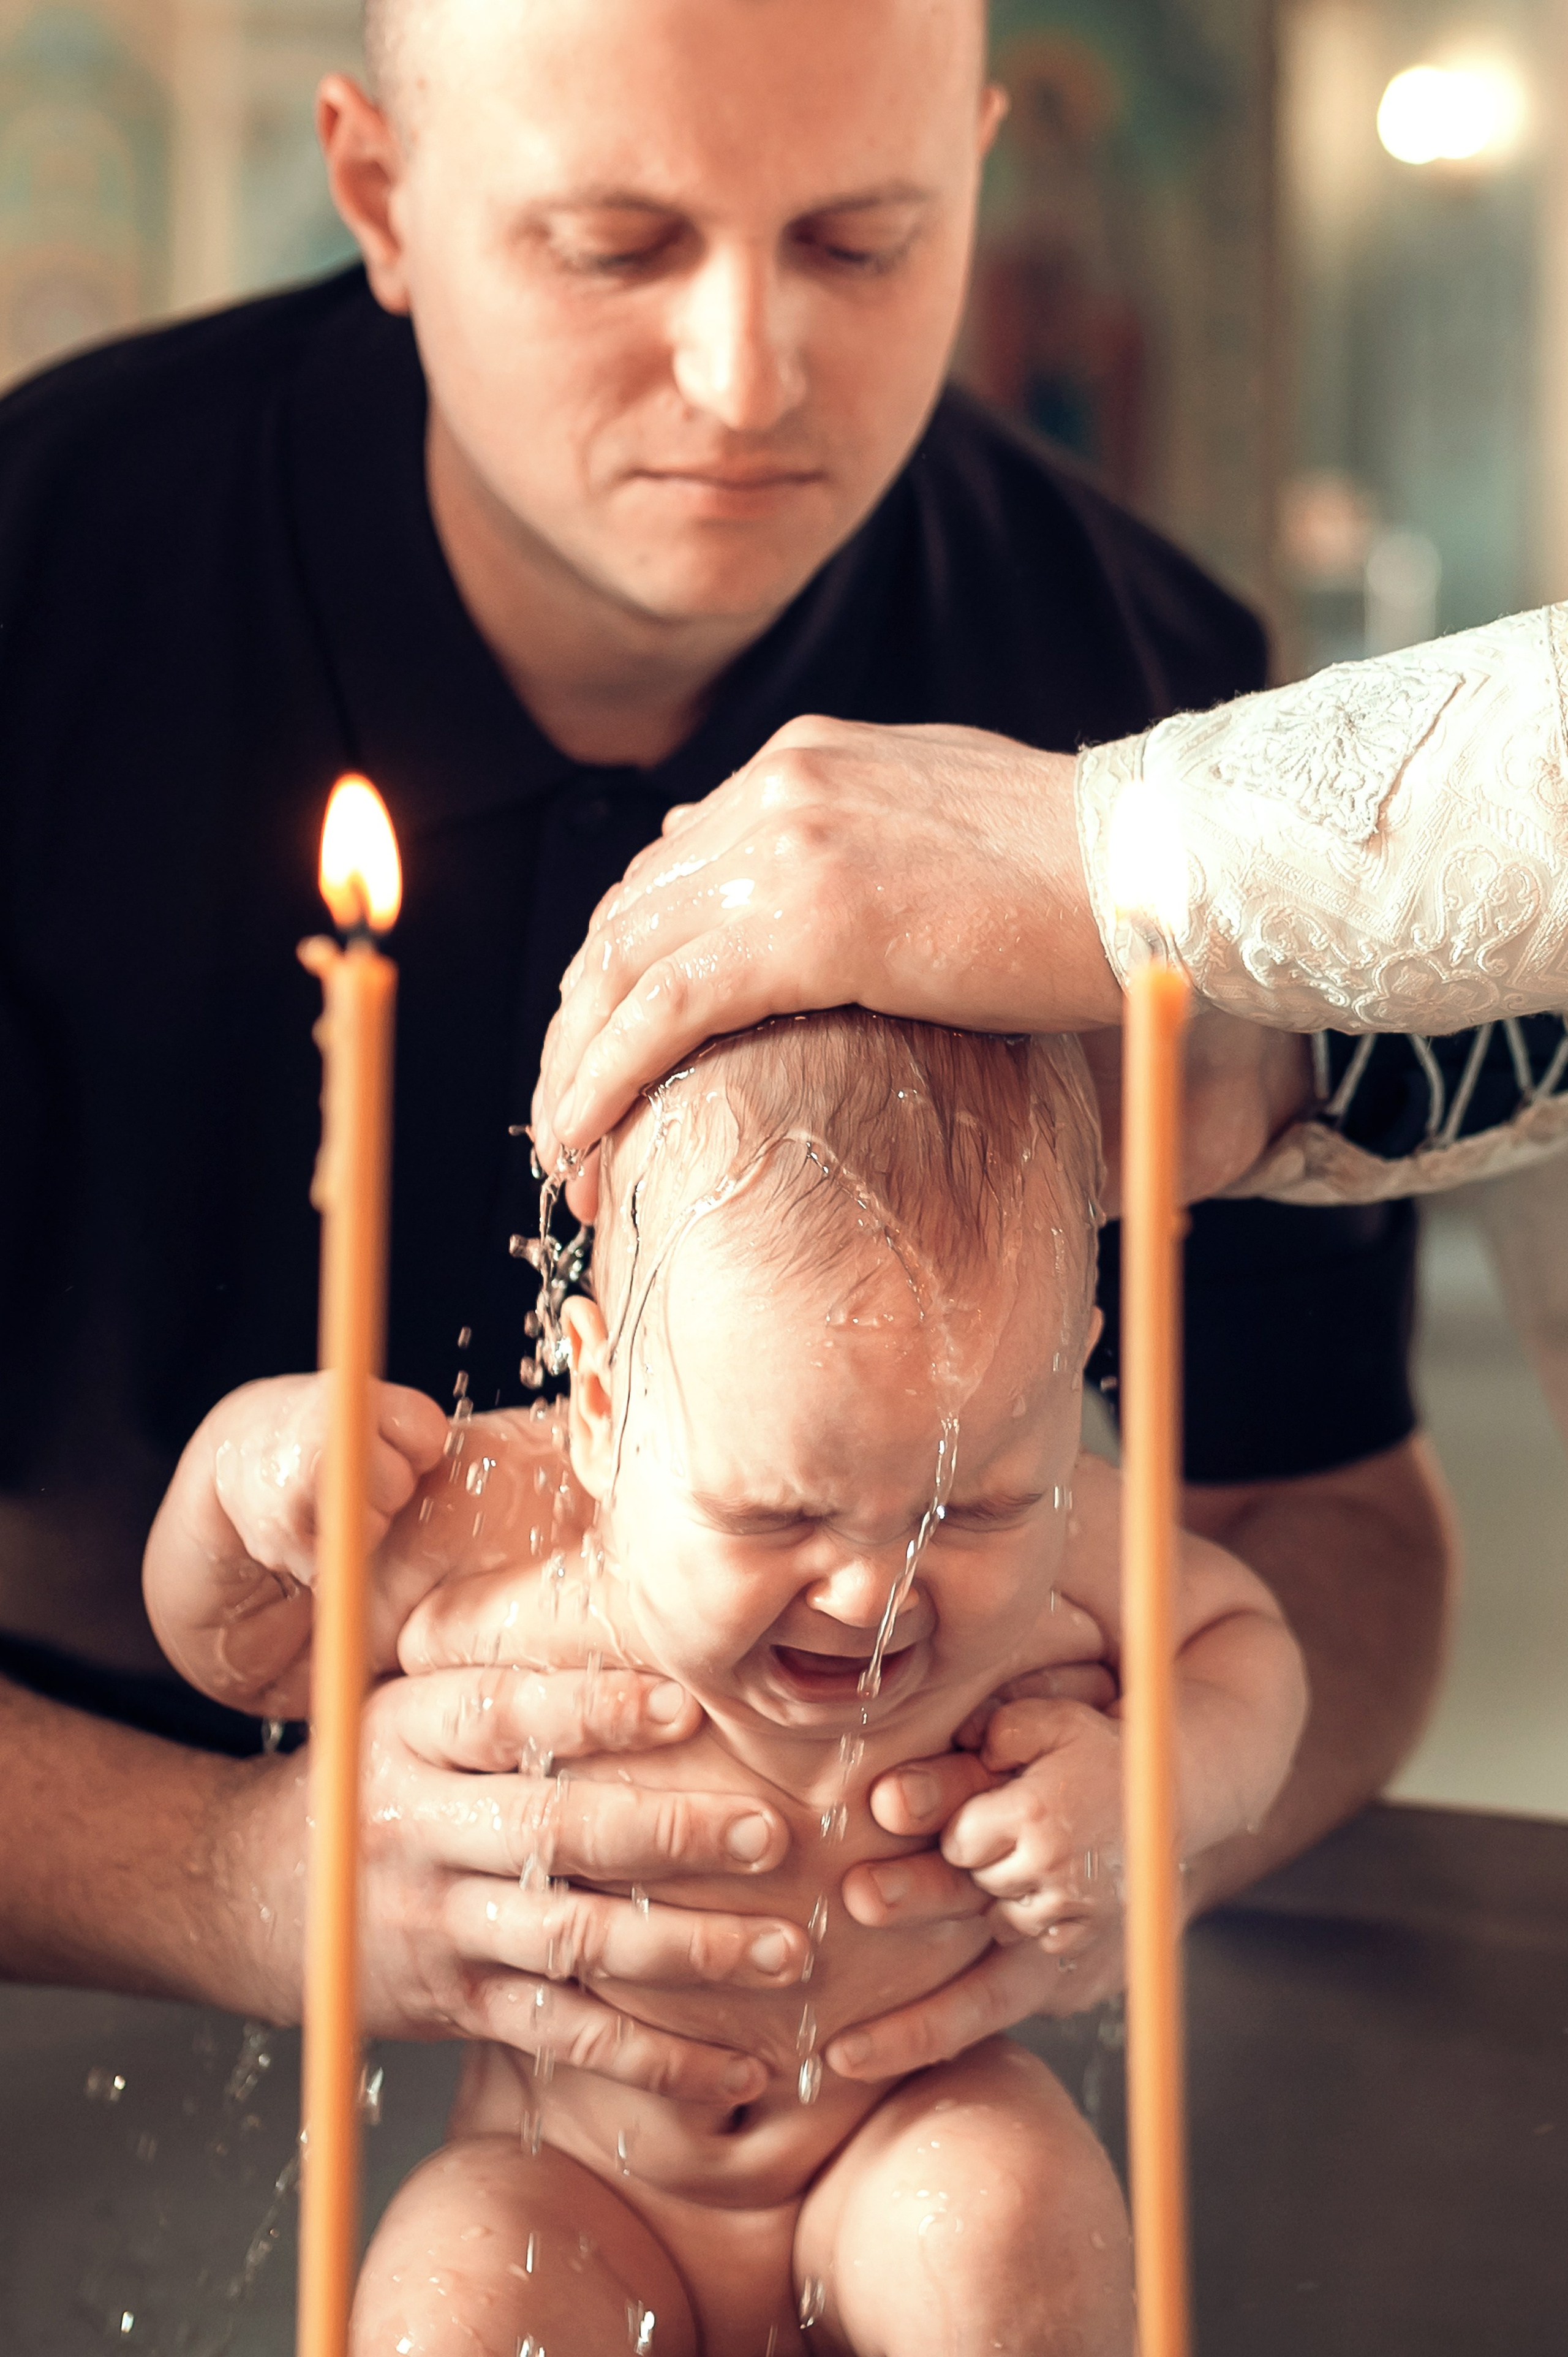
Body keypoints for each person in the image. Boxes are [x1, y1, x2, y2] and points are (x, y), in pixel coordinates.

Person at [0, 0, 1446, 2095]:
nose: (750, 380)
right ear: (381, 193)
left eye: (862, 243)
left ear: (982, 160)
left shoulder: (1148, 713)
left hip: (845, 2058)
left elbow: (1339, 1522)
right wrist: (233, 1875)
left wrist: (1144, 1836)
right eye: (614, 244)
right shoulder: (45, 596)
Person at [145, 1013, 1305, 2356]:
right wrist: (240, 1480)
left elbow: (1242, 1647)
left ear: (1068, 1375)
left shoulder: (1077, 1520)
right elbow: (250, 1657)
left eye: (973, 1510)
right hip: (573, 2178)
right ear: (598, 1406)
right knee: (458, 2305)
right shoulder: (508, 1514)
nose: (872, 1592)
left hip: (896, 2137)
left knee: (999, 2221)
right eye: (773, 1518)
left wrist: (1153, 1790)